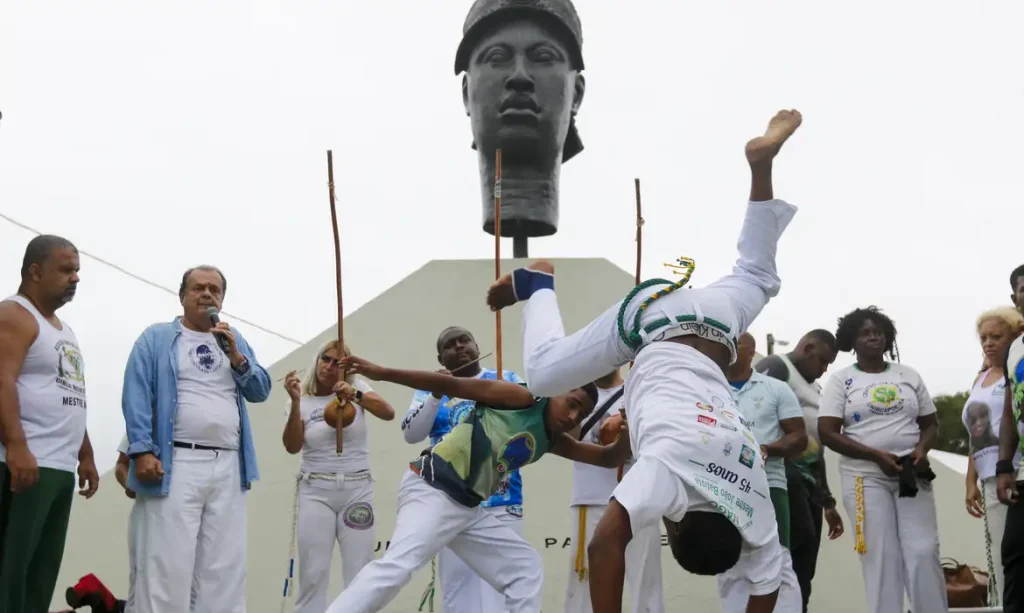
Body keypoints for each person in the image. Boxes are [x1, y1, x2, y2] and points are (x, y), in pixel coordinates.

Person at [487, 109, 804, 613]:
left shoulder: (754, 505)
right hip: (651, 327)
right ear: (674, 524)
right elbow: (603, 545)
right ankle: (539, 283)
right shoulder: (664, 474)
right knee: (544, 374)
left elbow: (764, 590)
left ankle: (760, 168)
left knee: (758, 275)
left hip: (716, 321)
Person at [325, 354, 629, 613]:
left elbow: (605, 458)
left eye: (582, 413)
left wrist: (629, 433)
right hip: (432, 487)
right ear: (556, 390)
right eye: (571, 403)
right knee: (397, 567)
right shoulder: (522, 397)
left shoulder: (551, 438)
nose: (573, 416)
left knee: (525, 567)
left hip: (467, 509)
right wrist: (380, 372)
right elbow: (451, 385)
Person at [121, 265, 272, 613]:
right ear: (183, 296)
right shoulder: (156, 338)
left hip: (229, 465)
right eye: (199, 288)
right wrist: (141, 449)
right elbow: (136, 394)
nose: (207, 294)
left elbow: (261, 390)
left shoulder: (234, 338)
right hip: (176, 463)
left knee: (223, 568)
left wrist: (236, 356)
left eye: (215, 290)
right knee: (167, 565)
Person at [817, 306, 947, 613]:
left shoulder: (908, 375)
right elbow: (827, 432)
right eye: (865, 332)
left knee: (923, 551)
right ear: (852, 340)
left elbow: (931, 424)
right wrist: (874, 455)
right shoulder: (841, 380)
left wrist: (922, 450)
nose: (874, 336)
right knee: (881, 556)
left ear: (888, 338)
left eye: (879, 332)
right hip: (864, 478)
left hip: (911, 474)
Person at [0, 234, 99, 613]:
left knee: (39, 574)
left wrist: (86, 454)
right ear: (35, 271)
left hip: (59, 468)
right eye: (66, 270)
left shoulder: (63, 329)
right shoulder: (14, 315)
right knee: (11, 572)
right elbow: (2, 381)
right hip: (26, 464)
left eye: (76, 271)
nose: (75, 278)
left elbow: (69, 393)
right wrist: (16, 446)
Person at [402, 325, 527, 613]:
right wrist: (436, 395)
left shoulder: (505, 379)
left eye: (464, 340)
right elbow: (411, 434)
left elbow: (531, 420)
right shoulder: (429, 389)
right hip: (451, 503)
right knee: (459, 591)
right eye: (450, 345)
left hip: (501, 501)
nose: (459, 347)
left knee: (503, 589)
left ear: (476, 345)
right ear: (440, 357)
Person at [282, 340, 395, 613]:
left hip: (357, 489)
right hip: (315, 490)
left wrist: (354, 394)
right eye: (326, 359)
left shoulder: (358, 390)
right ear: (317, 360)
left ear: (347, 369)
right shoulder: (301, 400)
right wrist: (296, 402)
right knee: (313, 574)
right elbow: (292, 446)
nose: (329, 366)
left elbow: (388, 412)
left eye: (337, 363)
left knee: (361, 574)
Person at [755, 329, 844, 611]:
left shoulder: (815, 390)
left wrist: (827, 500)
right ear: (807, 349)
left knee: (806, 566)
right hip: (783, 477)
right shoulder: (778, 367)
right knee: (790, 553)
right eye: (823, 361)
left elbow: (817, 451)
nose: (824, 369)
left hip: (809, 485)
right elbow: (753, 410)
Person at [564, 369, 663, 613]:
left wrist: (630, 426)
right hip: (592, 499)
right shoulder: (577, 392)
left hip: (640, 499)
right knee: (584, 582)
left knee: (646, 583)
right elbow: (567, 437)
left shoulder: (640, 386)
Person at [726, 333, 806, 611]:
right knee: (730, 563)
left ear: (751, 352)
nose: (728, 351)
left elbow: (799, 437)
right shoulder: (709, 389)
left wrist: (768, 449)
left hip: (769, 486)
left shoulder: (776, 388)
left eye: (735, 346)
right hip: (722, 487)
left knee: (777, 560)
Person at [964, 307, 1023, 606]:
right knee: (1000, 558)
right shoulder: (981, 378)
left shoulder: (1015, 373)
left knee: (1011, 556)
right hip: (988, 476)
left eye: (996, 337)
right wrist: (970, 481)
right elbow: (975, 434)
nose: (988, 343)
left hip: (1015, 472)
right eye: (984, 338)